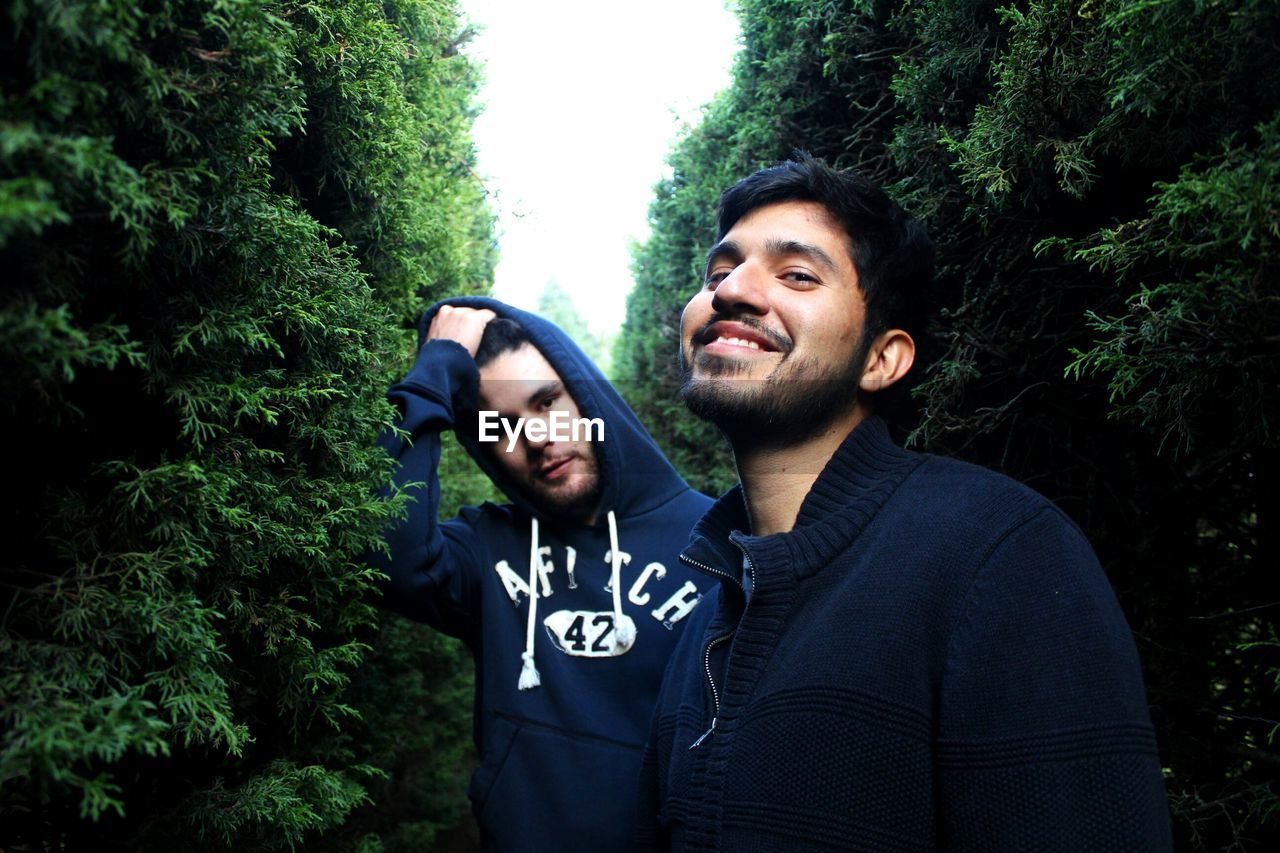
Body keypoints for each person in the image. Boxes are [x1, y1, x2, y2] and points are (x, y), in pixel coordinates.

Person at [637, 157, 1171, 850]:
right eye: (717, 273)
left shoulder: (1000, 553)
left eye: (797, 274)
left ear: (882, 359)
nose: (732, 290)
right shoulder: (709, 612)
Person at [371, 297, 712, 851]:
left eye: (547, 401)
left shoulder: (717, 538)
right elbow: (386, 552)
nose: (536, 437)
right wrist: (433, 373)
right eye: (500, 426)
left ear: (588, 395)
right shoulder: (487, 548)